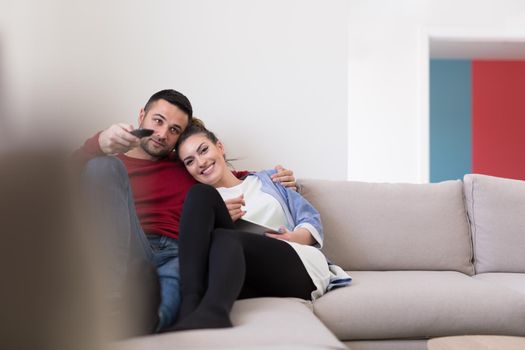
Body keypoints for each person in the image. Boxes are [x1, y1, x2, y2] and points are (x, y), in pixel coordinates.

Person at [75, 89, 297, 335]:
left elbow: (228, 176)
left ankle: (147, 320)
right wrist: (99, 142)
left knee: (177, 276)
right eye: (158, 121)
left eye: (174, 130)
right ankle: (111, 303)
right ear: (142, 115)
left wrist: (276, 180)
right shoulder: (111, 165)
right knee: (103, 165)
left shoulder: (186, 164)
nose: (162, 134)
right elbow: (56, 183)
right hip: (129, 246)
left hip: (179, 250)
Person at [171, 119, 351, 331]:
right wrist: (218, 221)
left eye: (203, 150)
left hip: (295, 262)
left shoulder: (269, 179)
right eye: (190, 161)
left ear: (219, 147)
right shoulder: (203, 205)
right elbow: (198, 251)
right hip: (244, 273)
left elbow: (309, 218)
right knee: (206, 205)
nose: (200, 162)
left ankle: (211, 312)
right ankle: (191, 306)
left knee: (226, 236)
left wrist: (293, 237)